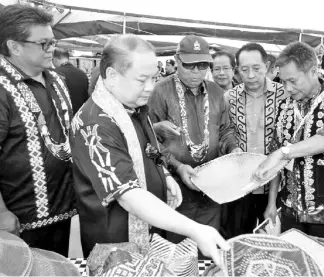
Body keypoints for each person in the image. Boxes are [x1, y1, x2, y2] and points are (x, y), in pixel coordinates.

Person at [70, 34, 230, 263]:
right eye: (141, 79)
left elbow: (148, 149)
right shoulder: (95, 124)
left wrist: (164, 174)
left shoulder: (133, 105)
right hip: (116, 242)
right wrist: (195, 229)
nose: (150, 88)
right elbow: (129, 195)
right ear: (112, 76)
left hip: (150, 231)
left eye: (153, 78)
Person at [253, 42, 324, 237]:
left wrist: (282, 152)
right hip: (290, 209)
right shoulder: (284, 108)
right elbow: (276, 162)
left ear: (313, 71)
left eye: (293, 81)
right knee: (295, 264)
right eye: (282, 81)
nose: (287, 88)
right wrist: (271, 202)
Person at [148, 35, 241, 249]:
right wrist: (178, 167)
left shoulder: (216, 92)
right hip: (177, 188)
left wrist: (234, 148)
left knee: (208, 247)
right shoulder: (159, 92)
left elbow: (225, 130)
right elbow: (150, 142)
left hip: (211, 185)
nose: (197, 71)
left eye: (202, 65)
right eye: (190, 65)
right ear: (177, 60)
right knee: (178, 250)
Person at [0, 4, 76, 256]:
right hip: (19, 221)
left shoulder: (56, 80)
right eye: (44, 44)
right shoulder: (2, 90)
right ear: (14, 46)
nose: (52, 49)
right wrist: (1, 212)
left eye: (53, 42)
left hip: (63, 208)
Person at [222, 43, 287, 238]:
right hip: (241, 186)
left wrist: (273, 202)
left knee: (274, 242)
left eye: (256, 68)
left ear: (267, 66)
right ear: (237, 70)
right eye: (244, 69)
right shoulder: (229, 98)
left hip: (278, 186)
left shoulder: (284, 95)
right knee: (238, 239)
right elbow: (226, 134)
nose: (251, 75)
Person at [53, 48, 89, 114]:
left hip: (64, 115)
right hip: (80, 114)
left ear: (54, 59)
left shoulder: (54, 74)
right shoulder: (82, 74)